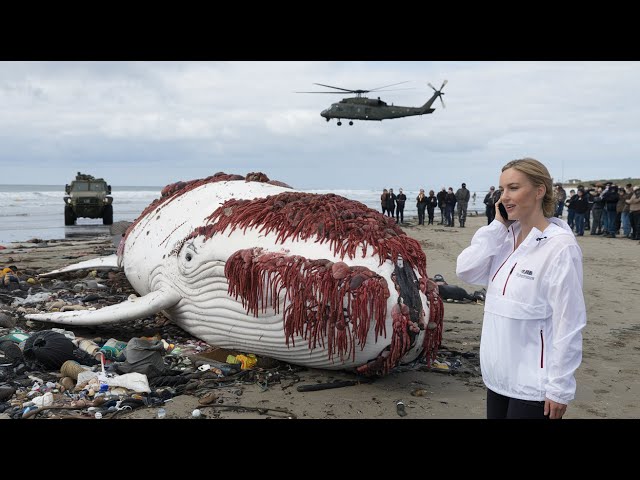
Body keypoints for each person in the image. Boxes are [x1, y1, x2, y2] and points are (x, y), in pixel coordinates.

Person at [456, 158, 586, 419]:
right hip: (497, 377)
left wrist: (559, 388)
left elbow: (569, 321)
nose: (504, 197)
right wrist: (497, 227)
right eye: (501, 189)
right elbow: (466, 270)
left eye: (513, 188)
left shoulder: (560, 247)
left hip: (534, 384)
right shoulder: (504, 238)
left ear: (540, 191)